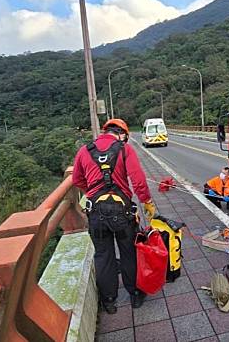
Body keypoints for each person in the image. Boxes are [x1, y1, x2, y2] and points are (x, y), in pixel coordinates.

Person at [72, 118, 157, 314]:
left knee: (103, 255)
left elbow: (77, 179)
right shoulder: (124, 149)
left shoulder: (85, 150)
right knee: (129, 252)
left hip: (96, 213)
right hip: (122, 212)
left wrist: (92, 193)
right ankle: (135, 295)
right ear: (122, 133)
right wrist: (146, 202)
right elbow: (138, 180)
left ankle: (109, 301)